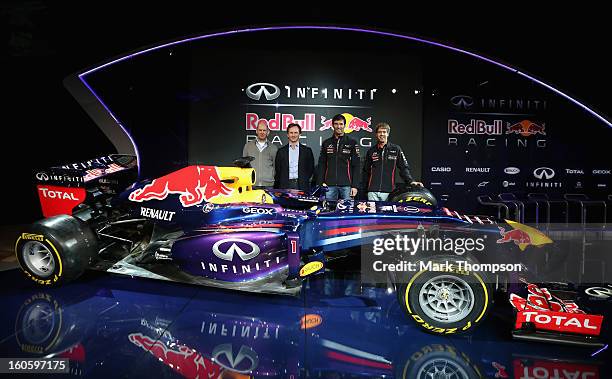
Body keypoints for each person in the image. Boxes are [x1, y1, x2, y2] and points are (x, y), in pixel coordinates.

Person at [361, 122, 423, 201]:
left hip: (389, 191)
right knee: (372, 213)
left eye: (384, 132)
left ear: (388, 134)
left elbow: (403, 168)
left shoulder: (396, 149)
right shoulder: (371, 151)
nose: (382, 134)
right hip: (372, 191)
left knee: (386, 213)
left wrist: (411, 181)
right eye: (379, 132)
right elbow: (366, 171)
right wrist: (365, 189)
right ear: (376, 134)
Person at [317, 114, 360, 200]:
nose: (338, 126)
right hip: (329, 185)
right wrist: (320, 183)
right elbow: (322, 164)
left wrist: (355, 186)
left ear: (345, 125)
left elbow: (356, 165)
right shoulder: (326, 143)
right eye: (336, 124)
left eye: (341, 124)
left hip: (347, 185)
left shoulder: (352, 142)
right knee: (329, 210)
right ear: (332, 125)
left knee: (348, 211)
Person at [274, 123, 315, 191]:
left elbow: (310, 169)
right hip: (285, 185)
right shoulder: (281, 151)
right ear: (287, 134)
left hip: (302, 185)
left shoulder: (307, 151)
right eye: (291, 133)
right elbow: (278, 170)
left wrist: (304, 179)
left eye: (296, 132)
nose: (293, 135)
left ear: (300, 134)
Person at [243, 120, 278, 188]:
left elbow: (275, 167)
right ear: (256, 131)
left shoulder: (273, 148)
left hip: (268, 185)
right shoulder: (248, 146)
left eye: (264, 130)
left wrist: (269, 177)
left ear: (268, 132)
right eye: (260, 130)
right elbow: (244, 166)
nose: (262, 132)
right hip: (252, 185)